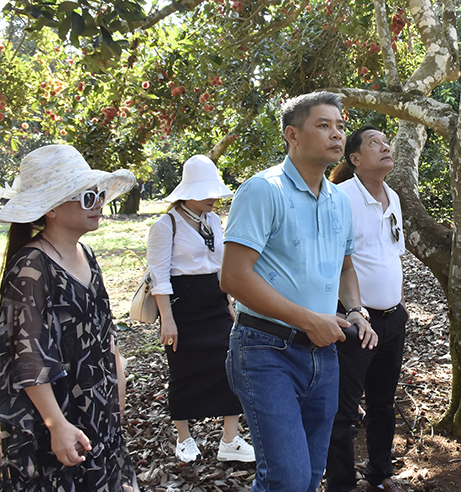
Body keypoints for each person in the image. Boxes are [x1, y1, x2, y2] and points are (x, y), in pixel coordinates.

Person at [221, 91, 377, 492]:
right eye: (323, 125)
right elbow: (234, 278)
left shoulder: (338, 201)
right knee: (286, 478)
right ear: (292, 134)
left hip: (323, 355)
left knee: (307, 476)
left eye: (340, 126)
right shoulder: (263, 190)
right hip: (265, 350)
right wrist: (310, 320)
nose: (337, 135)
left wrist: (356, 310)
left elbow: (345, 268)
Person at [0, 145, 139, 491]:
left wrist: (118, 381)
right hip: (57, 416)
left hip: (97, 408)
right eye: (87, 197)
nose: (98, 203)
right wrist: (56, 424)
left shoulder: (87, 253)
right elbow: (28, 355)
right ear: (51, 207)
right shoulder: (31, 268)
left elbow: (102, 329)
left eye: (99, 194)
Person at [146, 154, 254, 463]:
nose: (212, 198)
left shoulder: (212, 221)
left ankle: (230, 438)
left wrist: (229, 301)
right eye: (205, 191)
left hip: (214, 302)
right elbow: (159, 275)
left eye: (214, 191)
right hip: (184, 305)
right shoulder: (166, 225)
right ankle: (184, 438)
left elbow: (220, 266)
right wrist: (167, 319)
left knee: (228, 365)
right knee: (184, 370)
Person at [325, 126, 409, 492]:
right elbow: (334, 262)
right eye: (374, 142)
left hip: (392, 319)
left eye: (385, 140)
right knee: (342, 412)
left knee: (383, 404)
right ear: (355, 158)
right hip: (354, 321)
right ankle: (341, 483)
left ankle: (380, 474)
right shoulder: (340, 197)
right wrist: (348, 312)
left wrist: (400, 307)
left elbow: (392, 254)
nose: (385, 145)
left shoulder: (393, 196)